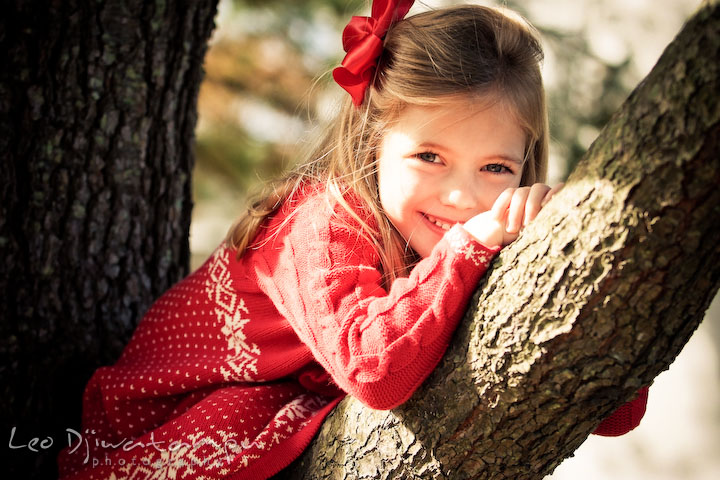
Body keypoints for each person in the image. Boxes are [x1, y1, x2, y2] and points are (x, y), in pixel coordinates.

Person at [58, 1, 647, 478]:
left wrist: (574, 261)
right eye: (429, 156)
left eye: (496, 168)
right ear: (373, 146)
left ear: (525, 164)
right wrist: (471, 246)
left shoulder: (482, 233)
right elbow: (376, 371)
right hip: (152, 434)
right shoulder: (320, 223)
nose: (464, 197)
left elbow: (610, 405)